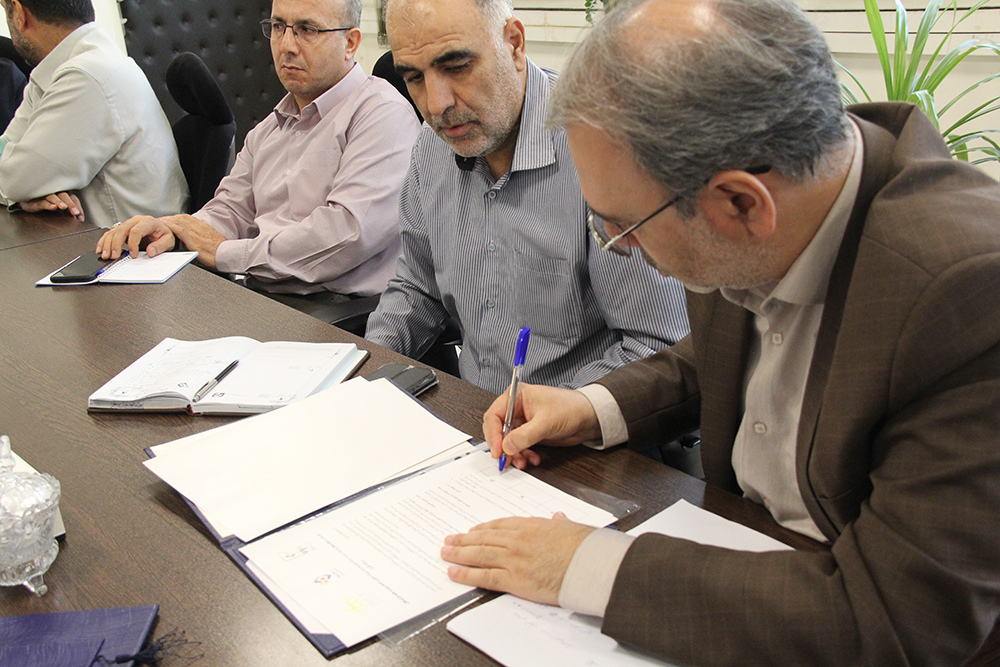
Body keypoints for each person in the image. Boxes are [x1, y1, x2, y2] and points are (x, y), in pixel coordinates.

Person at [441, 0, 1000, 665]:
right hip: (743, 547)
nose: (617, 246)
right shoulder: (777, 188)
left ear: (741, 204)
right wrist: (590, 407)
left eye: (622, 227)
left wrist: (585, 567)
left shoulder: (968, 296)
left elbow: (897, 621)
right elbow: (724, 357)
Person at [364, 0, 689, 394]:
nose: (436, 104)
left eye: (457, 67)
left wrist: (556, 411)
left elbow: (657, 345)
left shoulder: (602, 148)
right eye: (415, 77)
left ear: (514, 43)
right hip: (473, 410)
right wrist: (363, 374)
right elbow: (418, 287)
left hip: (576, 420)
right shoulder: (434, 145)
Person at [97, 0, 420, 298]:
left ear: (350, 42)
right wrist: (175, 231)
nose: (287, 45)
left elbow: (347, 235)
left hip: (342, 314)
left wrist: (224, 253)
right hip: (263, 298)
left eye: (307, 29)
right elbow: (232, 209)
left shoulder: (382, 114)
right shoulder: (269, 128)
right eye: (278, 27)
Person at [0, 0, 186, 227]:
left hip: (138, 245)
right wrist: (24, 193)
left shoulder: (87, 75)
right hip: (94, 237)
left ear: (19, 13)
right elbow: (7, 155)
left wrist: (22, 189)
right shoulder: (62, 68)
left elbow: (17, 180)